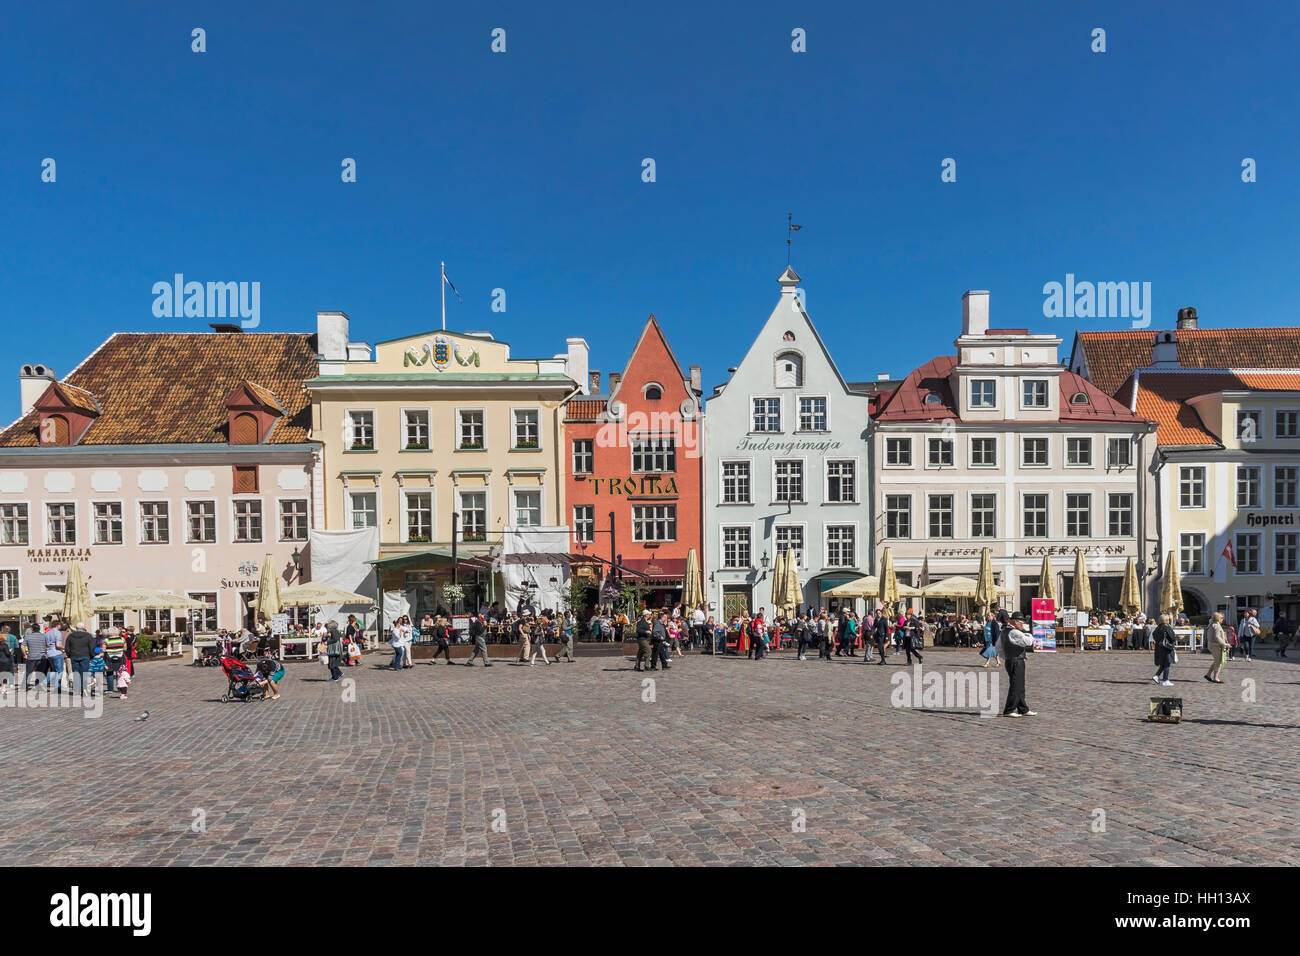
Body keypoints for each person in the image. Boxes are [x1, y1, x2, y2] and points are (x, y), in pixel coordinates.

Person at [1000, 611, 1037, 717]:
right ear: (1015, 622)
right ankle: (1009, 709)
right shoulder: (1014, 632)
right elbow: (1028, 642)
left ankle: (1023, 708)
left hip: (1011, 660)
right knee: (1016, 685)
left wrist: (1006, 657)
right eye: (1021, 622)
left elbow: (999, 647)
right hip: (1016, 660)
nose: (1022, 624)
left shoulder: (1005, 631)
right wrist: (1029, 634)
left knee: (1019, 685)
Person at [64, 621, 95, 697]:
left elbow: (67, 647)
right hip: (85, 656)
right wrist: (92, 656)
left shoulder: (71, 636)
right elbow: (92, 647)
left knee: (76, 673)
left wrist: (69, 655)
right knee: (84, 673)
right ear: (83, 627)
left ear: (76, 628)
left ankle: (77, 690)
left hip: (74, 656)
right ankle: (83, 689)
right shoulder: (88, 636)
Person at [1152, 613, 1177, 686]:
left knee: (1163, 664)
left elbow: (1154, 636)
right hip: (1167, 647)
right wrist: (1175, 638)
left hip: (1159, 647)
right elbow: (1172, 637)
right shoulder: (1167, 627)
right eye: (1168, 619)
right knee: (1167, 664)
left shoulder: (1158, 627)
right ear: (1166, 620)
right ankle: (1165, 680)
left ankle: (1156, 676)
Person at [1204, 611, 1228, 683]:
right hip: (1215, 645)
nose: (1222, 619)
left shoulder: (1211, 624)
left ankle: (1208, 675)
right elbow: (1217, 637)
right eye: (1221, 618)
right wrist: (1225, 644)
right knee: (1219, 661)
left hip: (1211, 644)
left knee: (1216, 661)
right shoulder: (1216, 626)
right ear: (1218, 618)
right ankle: (1216, 678)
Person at [21, 623, 45, 690]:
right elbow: (47, 646)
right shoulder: (44, 636)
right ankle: (38, 685)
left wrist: (24, 654)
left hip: (31, 657)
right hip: (41, 657)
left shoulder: (28, 637)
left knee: (28, 672)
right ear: (39, 629)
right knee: (40, 672)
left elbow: (22, 646)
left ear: (32, 629)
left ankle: (24, 685)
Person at [44, 622, 66, 694]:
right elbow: (58, 645)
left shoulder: (47, 633)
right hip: (56, 653)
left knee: (54, 670)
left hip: (49, 653)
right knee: (60, 671)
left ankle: (44, 681)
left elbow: (46, 645)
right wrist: (65, 647)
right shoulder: (57, 633)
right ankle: (57, 687)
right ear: (58, 625)